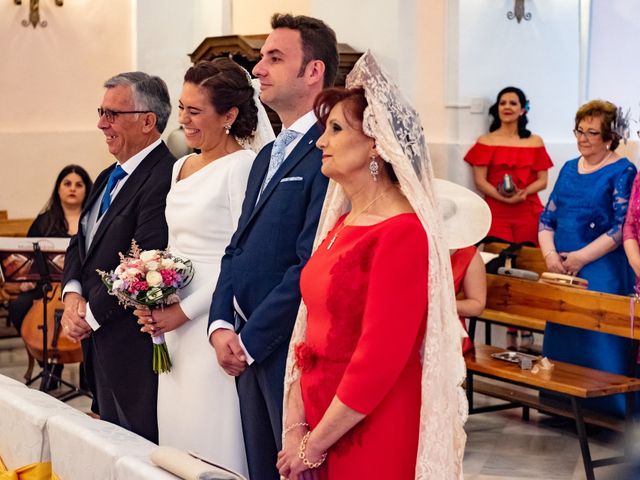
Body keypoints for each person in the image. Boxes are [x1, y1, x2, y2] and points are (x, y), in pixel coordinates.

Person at [277, 52, 466, 479]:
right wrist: (295, 430)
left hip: (369, 425)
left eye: (336, 129)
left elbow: (378, 362)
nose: (321, 142)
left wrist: (314, 444)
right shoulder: (343, 221)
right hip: (317, 418)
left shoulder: (402, 233)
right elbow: (304, 330)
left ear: (377, 143)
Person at [207, 13, 337, 480]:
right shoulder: (268, 154)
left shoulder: (331, 150)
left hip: (289, 348)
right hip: (246, 345)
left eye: (274, 58)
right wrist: (221, 321)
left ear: (314, 70)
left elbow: (310, 260)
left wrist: (251, 339)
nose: (258, 69)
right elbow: (236, 248)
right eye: (261, 58)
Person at [133, 58, 273, 474]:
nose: (184, 120)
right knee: (177, 433)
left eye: (196, 111)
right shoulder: (180, 166)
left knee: (213, 431)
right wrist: (150, 293)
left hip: (211, 322)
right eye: (182, 108)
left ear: (229, 115)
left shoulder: (243, 167)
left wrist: (184, 312)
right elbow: (175, 247)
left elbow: (240, 257)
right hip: (172, 324)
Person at [60, 72, 175, 442]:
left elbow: (143, 258)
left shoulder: (164, 175)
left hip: (132, 348)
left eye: (112, 114)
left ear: (147, 120)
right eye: (101, 111)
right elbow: (81, 243)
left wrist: (88, 317)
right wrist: (73, 294)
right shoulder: (108, 174)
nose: (101, 124)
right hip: (99, 342)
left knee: (137, 449)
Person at [539, 99, 636, 417]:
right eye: (579, 131)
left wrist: (580, 257)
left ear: (608, 138)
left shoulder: (622, 170)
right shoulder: (568, 168)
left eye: (591, 133)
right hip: (562, 267)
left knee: (599, 335)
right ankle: (560, 407)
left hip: (601, 268)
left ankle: (605, 411)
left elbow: (622, 227)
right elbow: (547, 218)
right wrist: (551, 255)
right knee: (565, 332)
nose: (582, 138)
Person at [464, 86, 552, 350]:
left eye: (513, 103)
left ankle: (525, 322)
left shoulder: (534, 141)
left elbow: (543, 180)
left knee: (528, 265)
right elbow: (479, 180)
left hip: (527, 209)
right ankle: (504, 319)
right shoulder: (486, 141)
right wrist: (502, 197)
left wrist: (522, 193)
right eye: (503, 103)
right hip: (497, 210)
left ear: (523, 109)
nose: (507, 107)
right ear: (497, 109)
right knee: (499, 262)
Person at [7, 165, 93, 336]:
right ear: (58, 190)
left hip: (84, 286)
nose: (72, 189)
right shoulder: (43, 222)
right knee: (18, 306)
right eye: (67, 184)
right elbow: (27, 259)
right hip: (47, 288)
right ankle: (44, 356)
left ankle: (87, 360)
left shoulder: (93, 221)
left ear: (87, 190)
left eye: (78, 185)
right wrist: (27, 279)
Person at [435, 179, 490, 355]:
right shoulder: (410, 245)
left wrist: (442, 304)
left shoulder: (468, 255)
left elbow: (476, 305)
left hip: (446, 330)